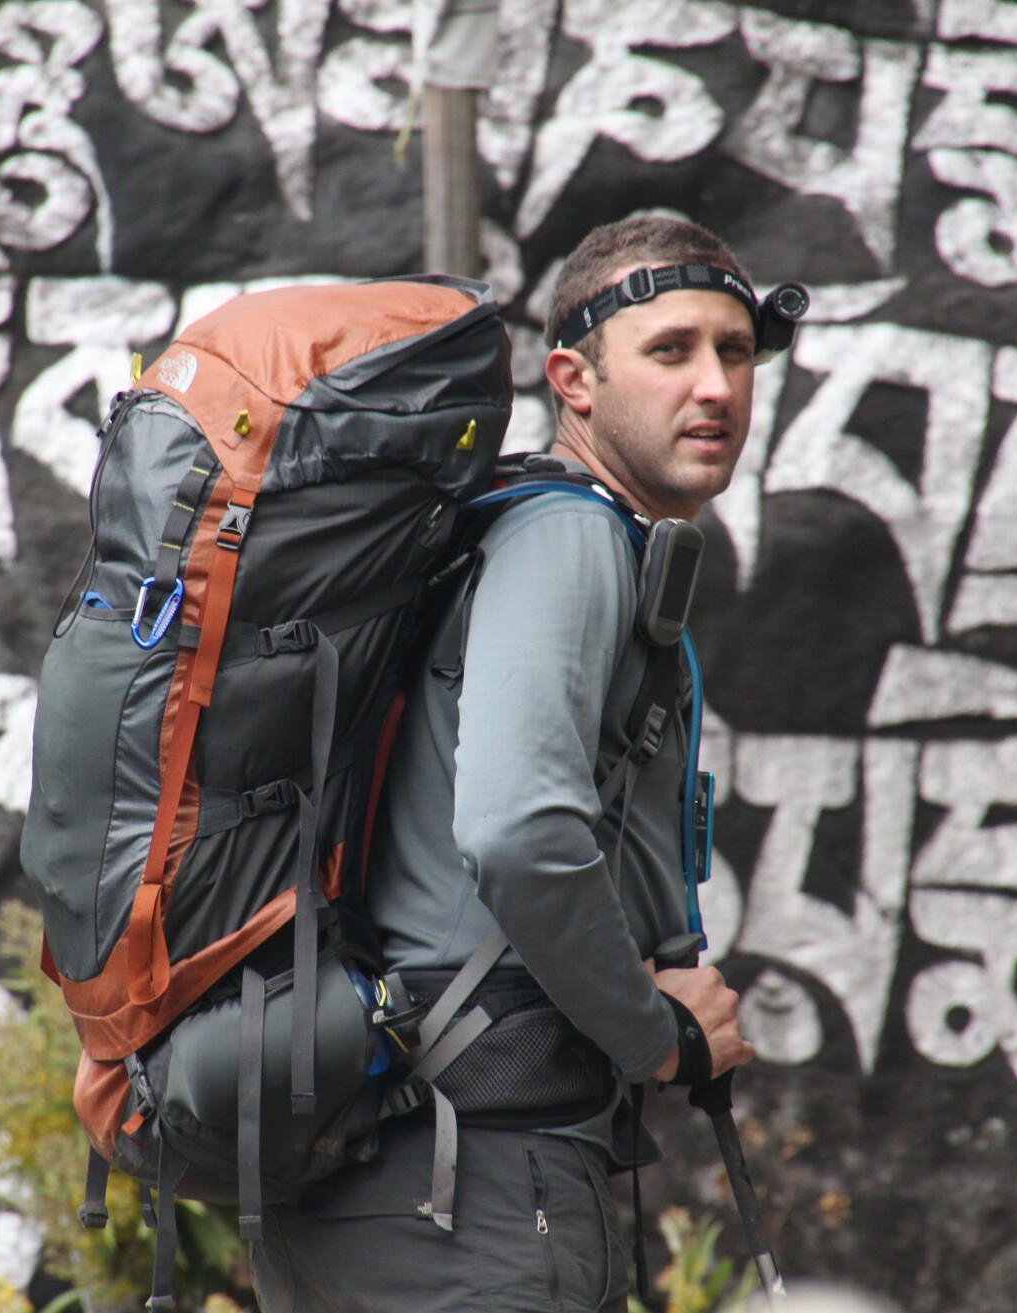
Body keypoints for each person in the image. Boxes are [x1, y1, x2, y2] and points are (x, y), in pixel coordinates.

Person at [249, 214, 764, 1312]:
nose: (715, 384)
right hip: (467, 1186)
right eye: (670, 350)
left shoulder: (492, 531)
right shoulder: (567, 538)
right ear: (573, 379)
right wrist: (654, 1031)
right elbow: (517, 832)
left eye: (734, 349)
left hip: (386, 1178)